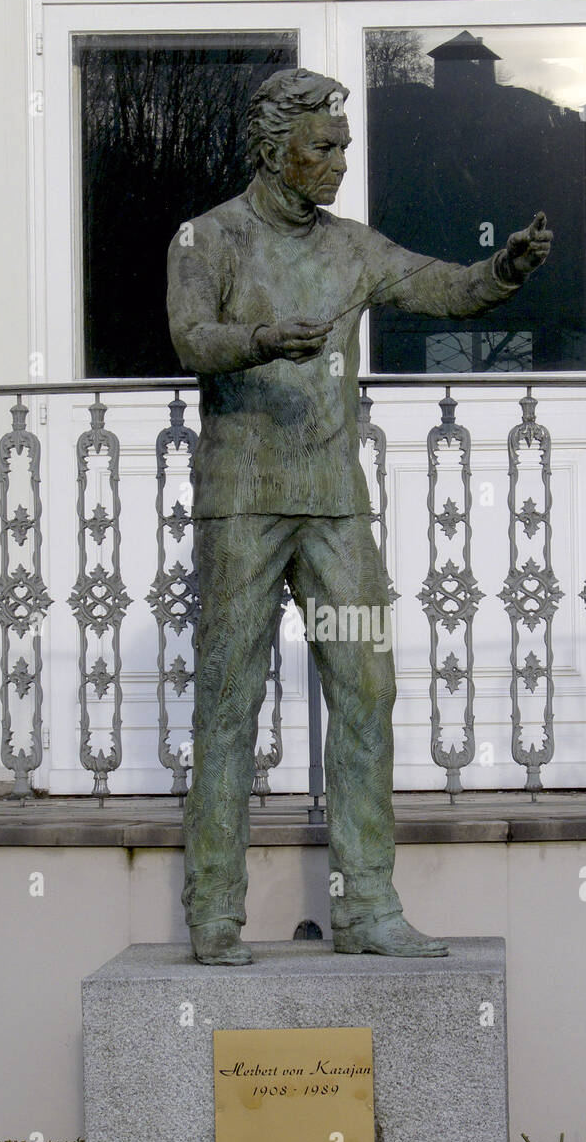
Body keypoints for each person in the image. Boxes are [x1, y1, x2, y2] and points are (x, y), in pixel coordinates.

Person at [167, 67, 551, 965]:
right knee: (229, 700)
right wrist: (261, 340)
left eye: (344, 146)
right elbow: (191, 338)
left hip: (336, 503)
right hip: (244, 503)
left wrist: (504, 270)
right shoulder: (207, 237)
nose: (341, 160)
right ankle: (215, 911)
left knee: (367, 689)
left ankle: (368, 907)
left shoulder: (350, 249)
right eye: (325, 146)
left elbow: (440, 288)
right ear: (275, 149)